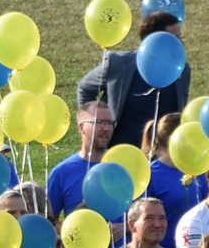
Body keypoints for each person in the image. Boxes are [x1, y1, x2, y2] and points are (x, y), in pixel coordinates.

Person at [75, 10, 190, 148]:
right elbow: (85, 88)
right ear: (154, 40)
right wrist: (94, 125)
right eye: (175, 38)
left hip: (158, 159)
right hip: (117, 155)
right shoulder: (118, 64)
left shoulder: (182, 71)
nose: (181, 44)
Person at [45, 101, 115, 219]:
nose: (107, 128)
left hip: (123, 238)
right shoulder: (62, 172)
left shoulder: (122, 166)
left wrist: (125, 227)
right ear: (82, 127)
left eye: (110, 123)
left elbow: (144, 213)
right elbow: (51, 220)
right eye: (99, 122)